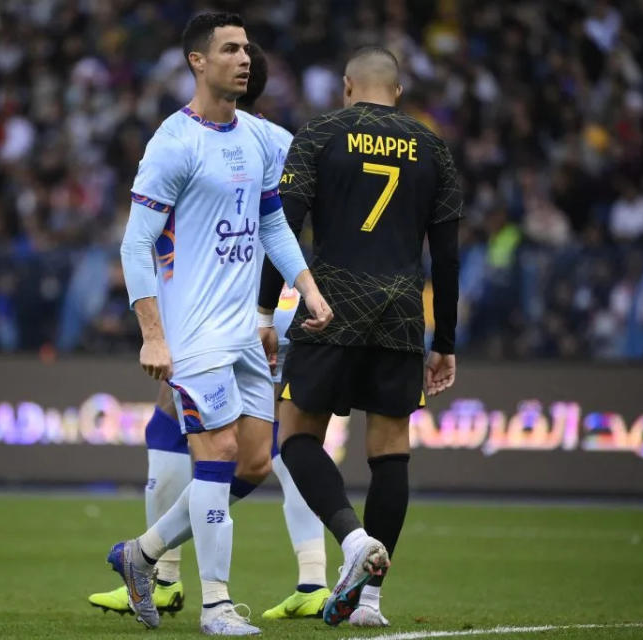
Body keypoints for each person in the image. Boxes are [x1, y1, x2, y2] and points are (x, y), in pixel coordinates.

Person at [87, 42, 331, 623]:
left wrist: (306, 287)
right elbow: (135, 242)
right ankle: (216, 605)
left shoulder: (258, 139)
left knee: (253, 464)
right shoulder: (174, 143)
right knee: (217, 453)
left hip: (247, 330)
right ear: (198, 61)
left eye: (247, 49)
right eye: (229, 48)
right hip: (193, 333)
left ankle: (141, 554)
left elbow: (272, 221)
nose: (243, 57)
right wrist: (152, 333)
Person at [258, 46, 462, 627]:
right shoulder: (434, 149)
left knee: (296, 436)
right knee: (390, 450)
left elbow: (283, 223)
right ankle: (369, 603)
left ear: (347, 86)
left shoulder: (321, 132)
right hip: (401, 315)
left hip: (332, 305)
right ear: (397, 91)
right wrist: (444, 338)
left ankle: (351, 543)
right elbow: (446, 258)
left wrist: (263, 307)